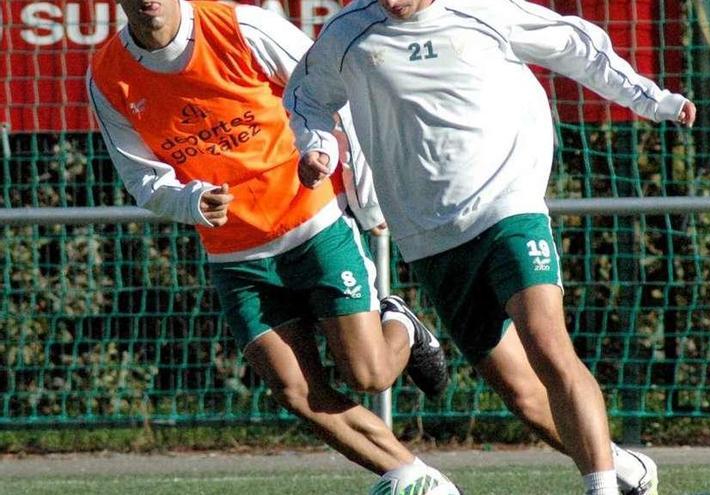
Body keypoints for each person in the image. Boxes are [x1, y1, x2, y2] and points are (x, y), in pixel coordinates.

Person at [284, 0, 696, 493]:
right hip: (428, 236)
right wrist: (319, 148)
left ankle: (602, 487)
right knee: (524, 396)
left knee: (548, 344)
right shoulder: (348, 33)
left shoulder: (483, 10)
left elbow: (575, 44)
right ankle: (626, 469)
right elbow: (307, 98)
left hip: (508, 207)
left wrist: (652, 101)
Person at [87, 0, 453, 483]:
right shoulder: (108, 76)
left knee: (370, 376)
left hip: (313, 224)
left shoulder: (242, 26)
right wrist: (190, 200)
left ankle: (399, 322)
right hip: (236, 257)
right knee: (295, 390)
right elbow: (142, 178)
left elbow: (332, 96)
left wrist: (368, 202)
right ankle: (412, 478)